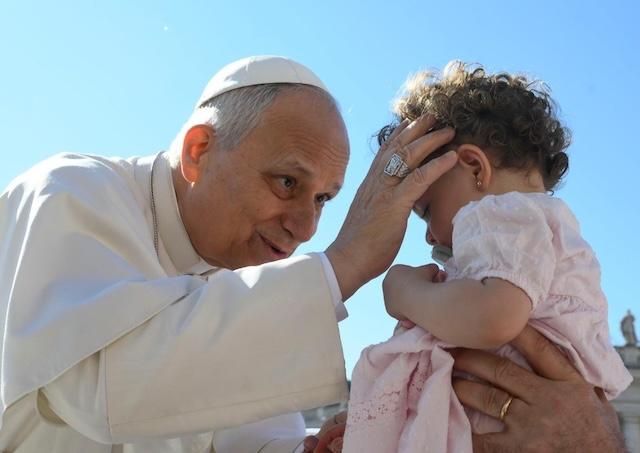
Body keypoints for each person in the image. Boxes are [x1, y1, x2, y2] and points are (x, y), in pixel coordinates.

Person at [0, 55, 626, 453]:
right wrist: (347, 263)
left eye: (324, 199)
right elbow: (98, 385)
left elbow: (247, 438)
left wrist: (316, 447)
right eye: (286, 183)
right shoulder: (72, 194)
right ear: (198, 152)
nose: (304, 227)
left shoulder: (242, 278)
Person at [339, 61, 632, 452]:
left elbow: (493, 319)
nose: (428, 236)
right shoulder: (535, 234)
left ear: (475, 168)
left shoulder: (502, 215)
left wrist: (402, 291)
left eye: (426, 210)